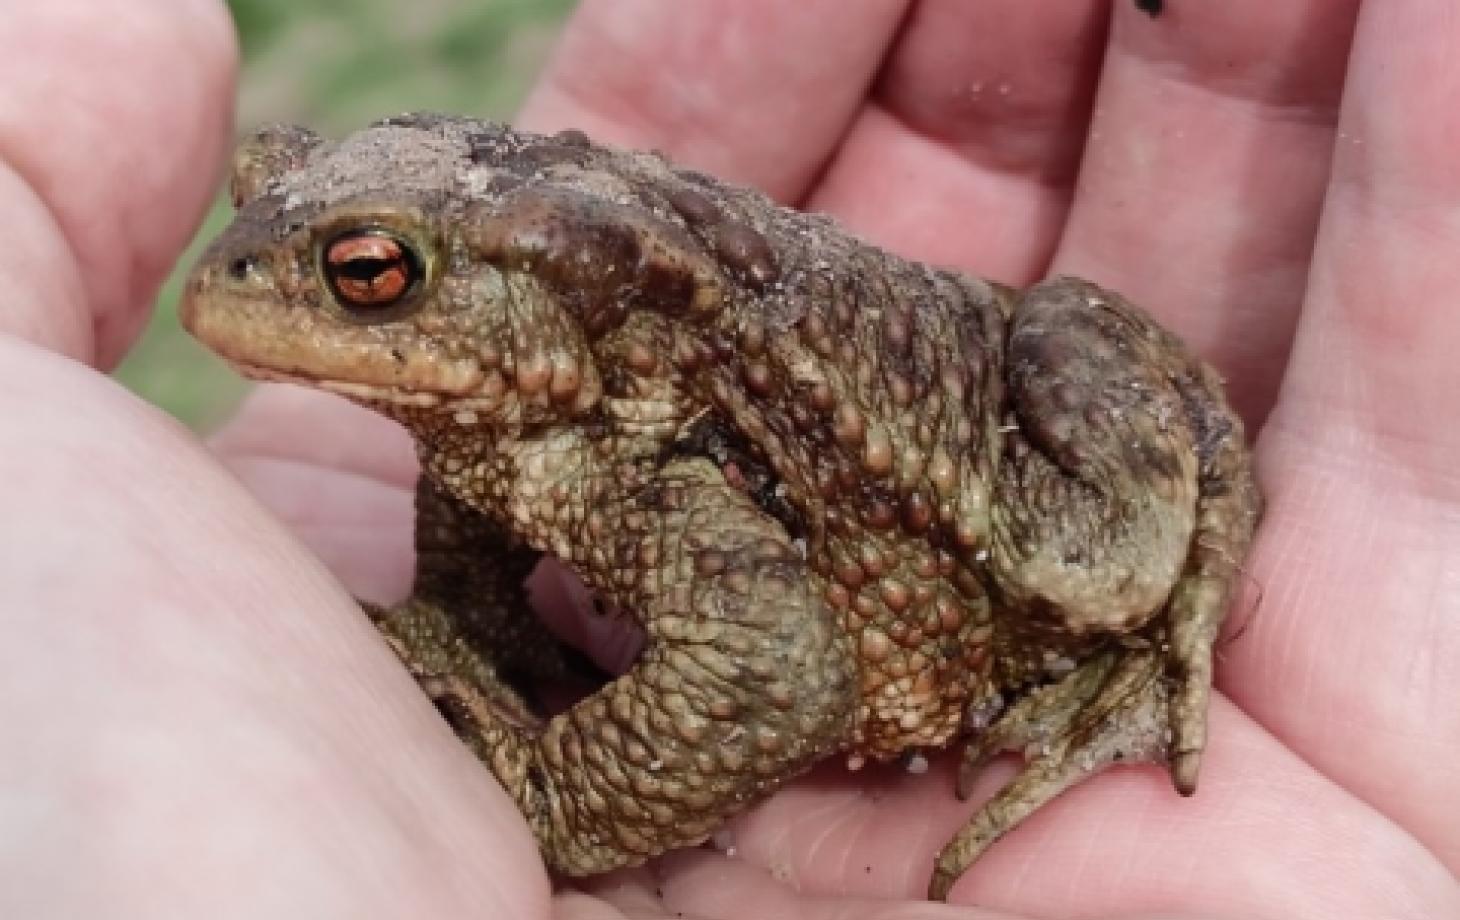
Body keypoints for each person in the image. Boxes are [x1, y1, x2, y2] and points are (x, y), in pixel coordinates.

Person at [2, 1, 1456, 916]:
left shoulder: (635, 441)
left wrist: (554, 796)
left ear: (537, 314)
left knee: (1107, 560)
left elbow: (782, 668)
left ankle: (1167, 633)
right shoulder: (551, 414)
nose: (257, 278)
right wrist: (465, 617)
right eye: (283, 207)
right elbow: (486, 452)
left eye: (364, 272)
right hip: (733, 347)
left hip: (952, 505)